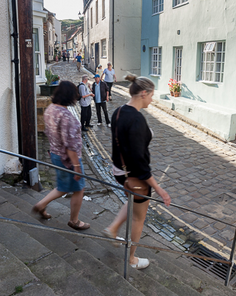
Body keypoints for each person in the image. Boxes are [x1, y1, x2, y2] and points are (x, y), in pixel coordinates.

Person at [103, 74, 171, 269]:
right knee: (139, 218)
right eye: (151, 95)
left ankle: (113, 228)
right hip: (135, 177)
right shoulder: (137, 120)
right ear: (143, 93)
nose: (152, 99)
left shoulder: (118, 111)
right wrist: (159, 189)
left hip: (119, 170)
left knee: (132, 201)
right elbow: (140, 163)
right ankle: (132, 259)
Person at [32, 81, 90, 231]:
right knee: (79, 189)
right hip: (68, 159)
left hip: (55, 154)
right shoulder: (66, 116)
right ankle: (74, 221)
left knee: (63, 187)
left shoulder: (50, 109)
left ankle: (41, 204)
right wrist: (76, 166)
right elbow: (70, 145)